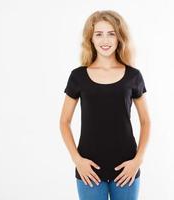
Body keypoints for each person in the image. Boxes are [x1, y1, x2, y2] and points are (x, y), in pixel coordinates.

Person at [59, 10, 151, 200]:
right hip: (89, 169)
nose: (105, 40)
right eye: (99, 34)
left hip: (127, 168)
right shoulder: (78, 76)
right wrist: (78, 161)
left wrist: (137, 161)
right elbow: (64, 122)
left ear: (119, 37)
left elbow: (146, 121)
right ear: (90, 39)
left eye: (111, 33)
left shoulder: (133, 76)